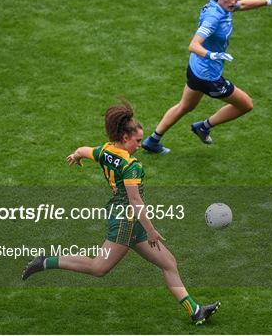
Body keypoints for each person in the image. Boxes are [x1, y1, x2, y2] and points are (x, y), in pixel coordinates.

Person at [21, 102, 220, 325]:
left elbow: (86, 150)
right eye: (137, 140)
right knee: (99, 267)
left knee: (168, 263)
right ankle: (44, 262)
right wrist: (152, 231)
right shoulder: (130, 166)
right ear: (125, 137)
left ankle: (195, 311)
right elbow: (135, 201)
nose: (139, 145)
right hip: (126, 220)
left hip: (127, 217)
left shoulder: (106, 150)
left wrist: (76, 155)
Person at [142, 0, 272, 153]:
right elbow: (193, 44)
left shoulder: (223, 6)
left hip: (195, 68)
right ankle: (204, 126)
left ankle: (152, 140)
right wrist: (211, 55)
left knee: (186, 106)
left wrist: (268, 1)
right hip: (208, 75)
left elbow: (243, 4)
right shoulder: (214, 17)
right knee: (246, 105)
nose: (233, 1)